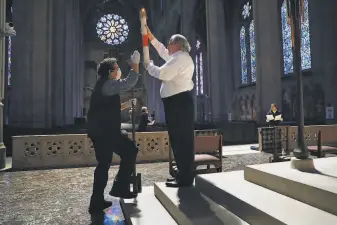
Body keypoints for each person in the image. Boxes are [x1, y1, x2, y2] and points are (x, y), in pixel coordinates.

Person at [86, 51, 140, 214]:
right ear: (110, 72)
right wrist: (135, 65)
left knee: (103, 165)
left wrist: (124, 106)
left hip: (102, 132)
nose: (118, 71)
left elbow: (107, 108)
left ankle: (96, 201)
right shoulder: (108, 84)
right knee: (130, 150)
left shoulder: (103, 85)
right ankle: (120, 187)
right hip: (105, 133)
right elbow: (129, 82)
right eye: (117, 68)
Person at [145, 26, 195, 188]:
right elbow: (162, 51)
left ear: (177, 46)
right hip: (177, 103)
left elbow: (162, 74)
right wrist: (150, 36)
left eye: (170, 44)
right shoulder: (179, 57)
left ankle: (185, 178)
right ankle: (183, 175)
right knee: (179, 140)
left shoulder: (180, 58)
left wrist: (148, 65)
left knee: (181, 140)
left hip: (178, 103)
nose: (167, 46)